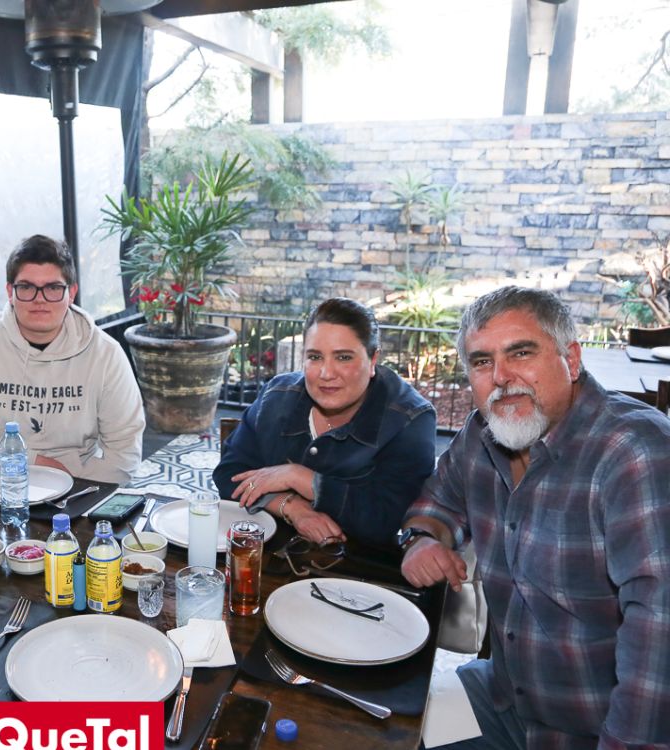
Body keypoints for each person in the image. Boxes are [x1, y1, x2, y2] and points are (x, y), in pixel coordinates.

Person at [398, 286, 670, 749]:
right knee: (387, 727)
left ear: (572, 359)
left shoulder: (635, 453)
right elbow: (437, 502)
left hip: (593, 729)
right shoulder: (482, 432)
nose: (501, 377)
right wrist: (422, 538)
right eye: (482, 362)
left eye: (521, 353)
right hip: (503, 698)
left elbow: (658, 641)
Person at [213, 297, 436, 549]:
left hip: (359, 564)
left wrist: (300, 478)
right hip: (270, 554)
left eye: (343, 357)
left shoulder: (410, 419)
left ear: (373, 360)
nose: (326, 373)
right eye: (315, 357)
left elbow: (389, 521)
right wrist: (293, 507)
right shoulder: (276, 396)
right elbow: (229, 475)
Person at [0, 234, 144, 484]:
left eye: (53, 288)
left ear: (71, 293)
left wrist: (72, 487)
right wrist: (28, 458)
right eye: (26, 287)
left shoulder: (106, 355)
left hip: (77, 485)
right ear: (10, 292)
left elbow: (124, 455)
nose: (40, 299)